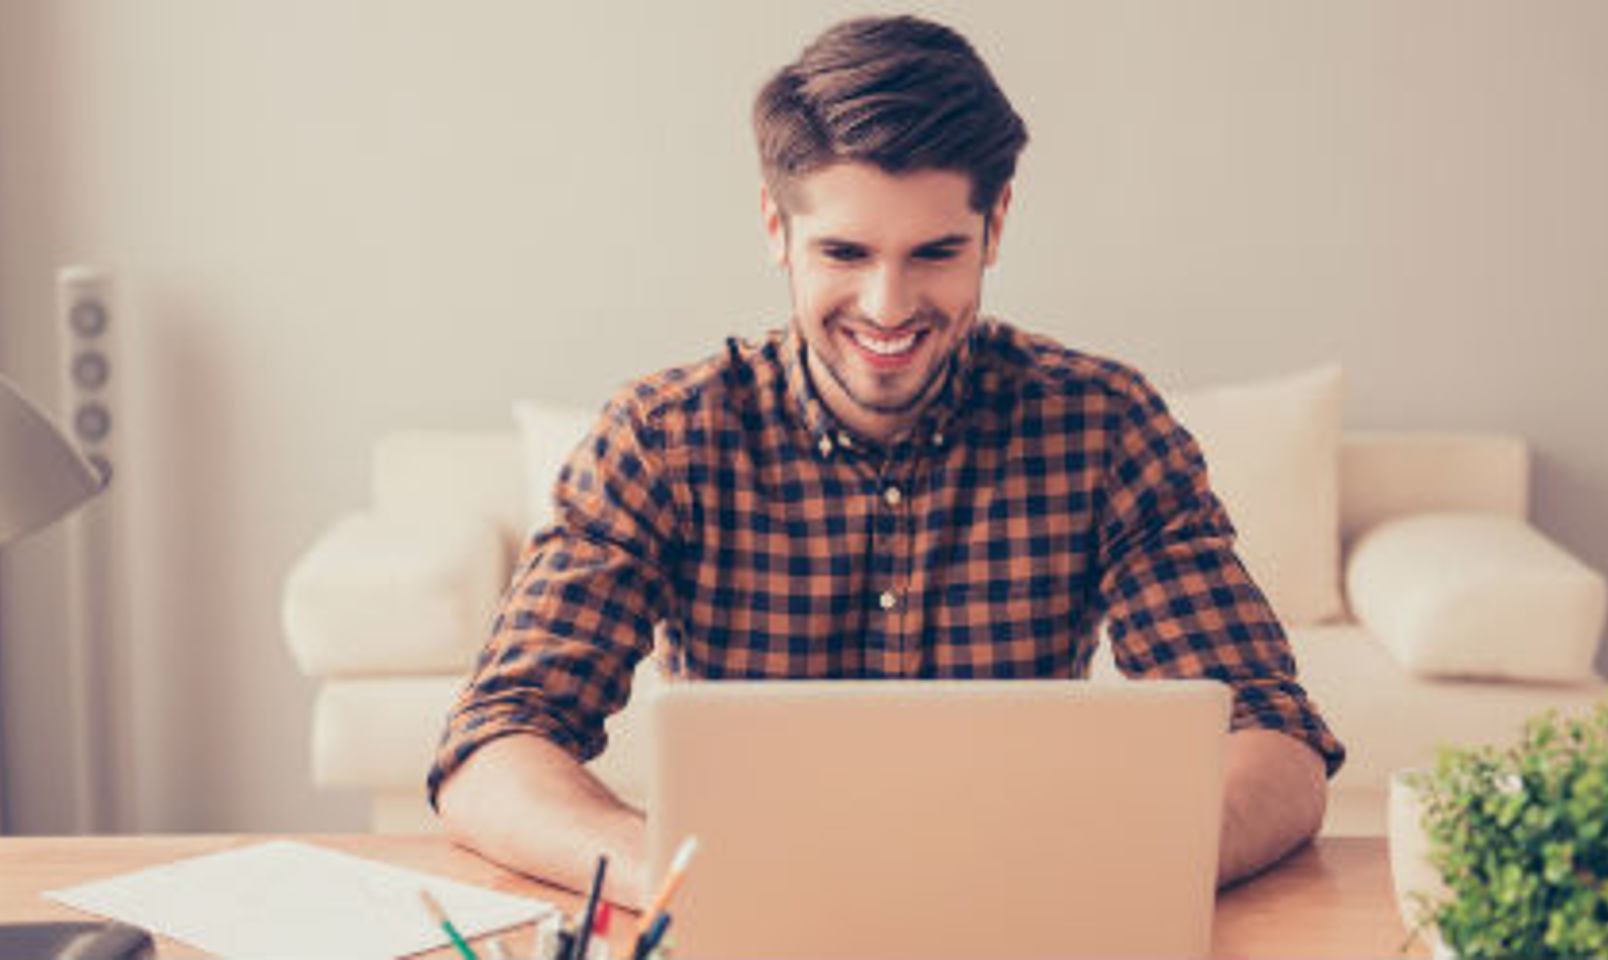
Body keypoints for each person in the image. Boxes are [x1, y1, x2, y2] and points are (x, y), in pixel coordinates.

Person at [427, 14, 1344, 908]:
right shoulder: (662, 440)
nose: (888, 305)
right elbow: (493, 745)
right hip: (752, 922)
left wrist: (1120, 870)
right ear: (777, 230)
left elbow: (1274, 735)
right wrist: (664, 871)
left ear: (995, 228)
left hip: (1023, 918)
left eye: (935, 252)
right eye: (845, 251)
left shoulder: (1104, 429)